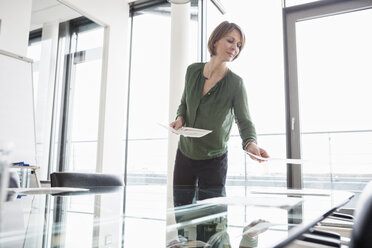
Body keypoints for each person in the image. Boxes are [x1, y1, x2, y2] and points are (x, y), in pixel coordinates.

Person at [170, 21, 269, 205]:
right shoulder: (192, 71)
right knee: (181, 212)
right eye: (230, 41)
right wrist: (180, 118)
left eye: (238, 45)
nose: (235, 48)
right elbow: (184, 103)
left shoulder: (236, 84)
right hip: (185, 154)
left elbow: (244, 121)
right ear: (215, 41)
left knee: (212, 221)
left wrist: (251, 144)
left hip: (214, 160)